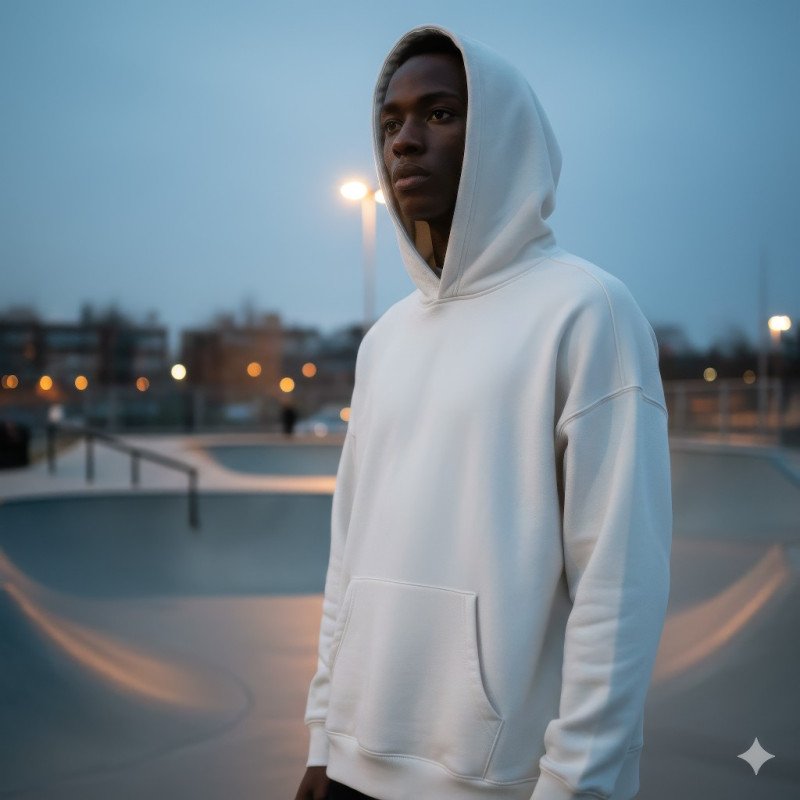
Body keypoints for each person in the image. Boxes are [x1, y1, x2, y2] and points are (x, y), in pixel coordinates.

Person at [294, 24, 672, 800]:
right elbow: (346, 557)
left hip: (497, 780)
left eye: (439, 114)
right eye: (391, 123)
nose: (404, 142)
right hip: (353, 768)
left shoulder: (587, 311)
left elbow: (619, 584)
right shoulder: (385, 339)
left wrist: (577, 784)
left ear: (503, 135)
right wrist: (323, 738)